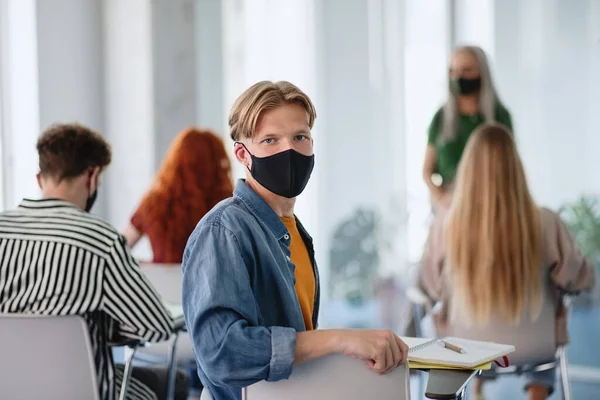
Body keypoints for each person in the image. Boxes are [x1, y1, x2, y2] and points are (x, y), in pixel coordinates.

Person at [182, 81, 409, 400]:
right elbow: (222, 353)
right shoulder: (224, 230)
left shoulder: (293, 230)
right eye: (270, 140)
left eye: (299, 137)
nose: (288, 151)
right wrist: (338, 339)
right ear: (242, 154)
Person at [0, 123, 189, 400]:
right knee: (174, 382)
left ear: (41, 179)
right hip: (84, 392)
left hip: (8, 389)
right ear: (92, 175)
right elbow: (155, 326)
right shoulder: (100, 240)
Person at [419, 124, 595, 400]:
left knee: (457, 332)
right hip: (535, 346)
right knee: (551, 303)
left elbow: (428, 285)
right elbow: (580, 278)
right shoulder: (546, 221)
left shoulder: (446, 226)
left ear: (468, 172)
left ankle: (475, 385)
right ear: (516, 169)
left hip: (466, 348)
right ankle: (536, 390)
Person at [123, 127, 233, 263]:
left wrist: (153, 267)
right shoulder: (228, 206)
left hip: (161, 283)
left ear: (175, 163)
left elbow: (119, 250)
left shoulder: (154, 204)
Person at [422, 45, 513, 211]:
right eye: (453, 71)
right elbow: (427, 171)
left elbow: (510, 167)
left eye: (466, 70)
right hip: (450, 206)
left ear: (482, 72)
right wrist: (442, 198)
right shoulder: (441, 118)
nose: (458, 77)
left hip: (491, 204)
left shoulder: (499, 117)